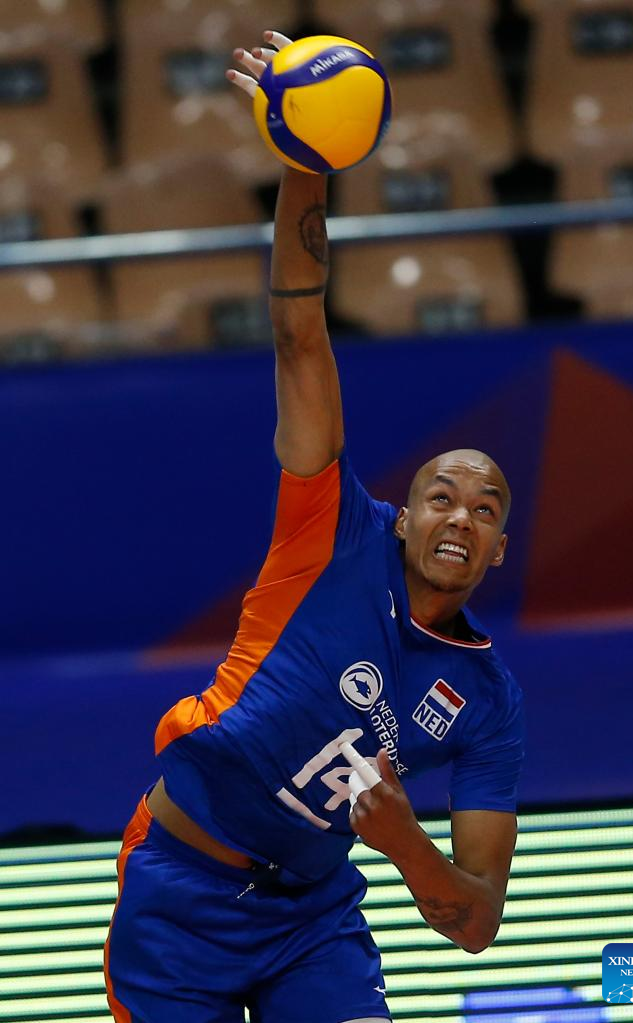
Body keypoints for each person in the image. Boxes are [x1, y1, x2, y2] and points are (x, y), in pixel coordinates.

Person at [104, 31, 524, 1023]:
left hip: (313, 918)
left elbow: (475, 921)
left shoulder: (488, 703)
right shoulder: (332, 529)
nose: (461, 515)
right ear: (403, 514)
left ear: (499, 550)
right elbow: (299, 334)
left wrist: (405, 843)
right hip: (179, 890)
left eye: (486, 509)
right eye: (442, 495)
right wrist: (306, 164)